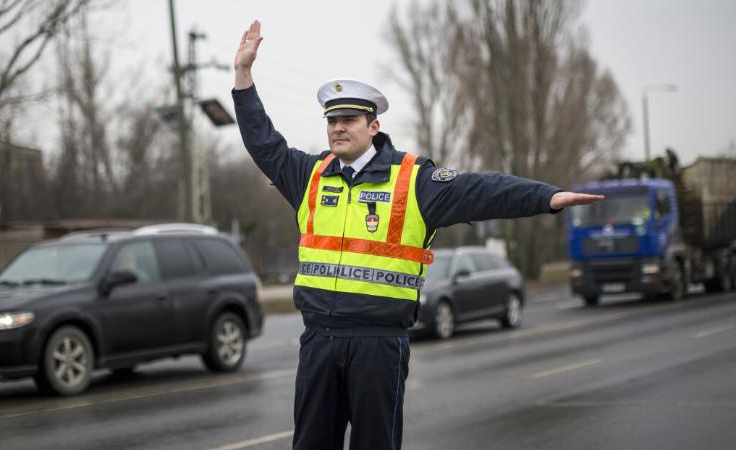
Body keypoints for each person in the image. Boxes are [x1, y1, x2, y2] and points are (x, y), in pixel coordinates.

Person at [231, 20, 603, 450]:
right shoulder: (309, 176)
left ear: (374, 126)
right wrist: (243, 77)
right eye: (331, 120)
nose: (337, 127)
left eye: (349, 119)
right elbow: (263, 143)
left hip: (378, 343)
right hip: (318, 340)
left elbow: (482, 190)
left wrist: (548, 197)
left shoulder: (413, 180)